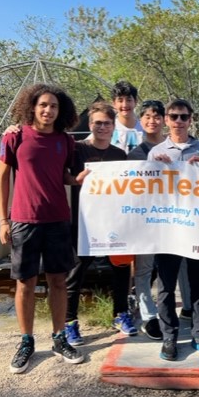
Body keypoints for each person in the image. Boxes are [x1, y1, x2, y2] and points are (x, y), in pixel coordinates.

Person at [0, 83, 86, 374]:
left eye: (54, 106)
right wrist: (3, 220)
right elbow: (2, 178)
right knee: (26, 283)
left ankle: (59, 338)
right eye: (43, 105)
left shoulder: (65, 141)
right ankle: (26, 342)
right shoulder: (15, 136)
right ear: (33, 107)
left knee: (59, 282)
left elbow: (61, 175)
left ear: (61, 111)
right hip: (24, 221)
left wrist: (76, 180)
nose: (48, 110)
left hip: (58, 219)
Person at [147, 98, 199, 361]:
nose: (178, 121)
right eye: (173, 116)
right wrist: (157, 169)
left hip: (196, 226)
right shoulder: (155, 152)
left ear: (191, 120)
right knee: (165, 287)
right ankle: (169, 337)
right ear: (166, 119)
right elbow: (147, 192)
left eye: (183, 117)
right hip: (166, 229)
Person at [64, 101, 139, 345]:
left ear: (113, 125)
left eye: (107, 123)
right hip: (83, 224)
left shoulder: (119, 154)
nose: (102, 127)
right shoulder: (76, 149)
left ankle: (120, 314)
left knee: (120, 270)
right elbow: (61, 175)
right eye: (97, 123)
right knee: (75, 273)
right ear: (90, 124)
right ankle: (69, 322)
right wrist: (75, 180)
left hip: (113, 223)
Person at [125, 99, 167, 341]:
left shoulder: (173, 149)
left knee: (170, 269)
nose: (152, 121)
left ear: (164, 120)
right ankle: (149, 316)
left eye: (157, 116)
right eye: (148, 117)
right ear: (141, 121)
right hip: (144, 219)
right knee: (143, 270)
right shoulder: (134, 155)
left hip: (172, 219)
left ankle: (168, 311)